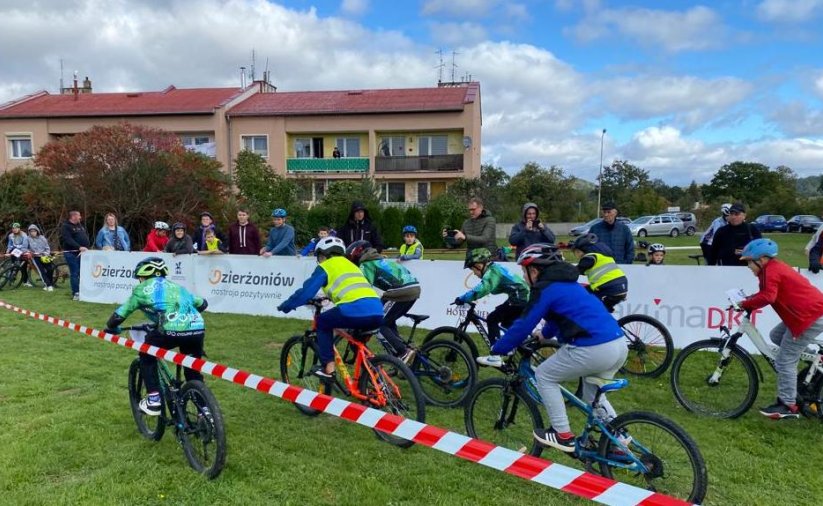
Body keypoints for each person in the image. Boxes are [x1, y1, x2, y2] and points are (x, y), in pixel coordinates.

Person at [477, 244, 627, 453]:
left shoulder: (545, 288)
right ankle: (618, 438)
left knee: (544, 376)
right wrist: (544, 335)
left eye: (524, 271)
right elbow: (559, 316)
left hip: (592, 347)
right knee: (591, 396)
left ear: (534, 270)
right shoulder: (570, 284)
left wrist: (498, 349)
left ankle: (562, 435)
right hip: (618, 344)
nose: (523, 275)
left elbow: (524, 324)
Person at [104, 257, 208, 416]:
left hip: (169, 330)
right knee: (192, 371)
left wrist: (112, 327)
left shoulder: (141, 289)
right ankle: (206, 412)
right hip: (197, 329)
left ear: (143, 276)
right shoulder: (177, 287)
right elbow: (202, 304)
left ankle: (154, 400)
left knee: (146, 354)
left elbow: (119, 315)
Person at [738, 239, 823, 419]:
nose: (747, 266)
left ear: (760, 260)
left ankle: (787, 405)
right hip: (803, 314)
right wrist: (749, 299)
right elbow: (767, 294)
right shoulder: (771, 269)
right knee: (775, 335)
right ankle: (814, 364)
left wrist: (746, 303)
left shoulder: (771, 271)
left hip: (807, 316)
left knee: (784, 360)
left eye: (748, 262)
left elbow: (769, 297)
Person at [277, 237, 384, 379]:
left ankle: (328, 368)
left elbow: (305, 292)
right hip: (377, 310)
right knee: (357, 342)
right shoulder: (352, 265)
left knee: (322, 322)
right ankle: (373, 375)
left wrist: (286, 306)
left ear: (322, 255)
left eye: (319, 257)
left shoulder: (325, 266)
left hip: (354, 309)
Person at [346, 240, 420, 364]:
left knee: (378, 323)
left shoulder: (366, 263)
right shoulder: (378, 259)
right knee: (388, 321)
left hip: (400, 291)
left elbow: (364, 287)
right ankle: (400, 355)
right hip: (413, 289)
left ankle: (403, 352)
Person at [454, 247, 530, 345]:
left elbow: (483, 289)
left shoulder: (493, 272)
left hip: (520, 297)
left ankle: (495, 354)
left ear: (479, 266)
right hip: (521, 296)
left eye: (473, 270)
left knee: (492, 319)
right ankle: (525, 351)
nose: (474, 274)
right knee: (507, 324)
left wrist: (463, 298)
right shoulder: (494, 268)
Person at [570, 233, 628, 313]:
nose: (576, 255)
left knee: (588, 304)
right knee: (587, 292)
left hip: (609, 288)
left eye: (577, 252)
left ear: (584, 249)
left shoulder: (589, 258)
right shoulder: (602, 256)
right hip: (620, 285)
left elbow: (574, 271)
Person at [60, 210, 91, 301]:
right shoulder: (66, 226)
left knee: (83, 272)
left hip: (82, 253)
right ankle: (76, 293)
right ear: (73, 217)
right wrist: (79, 247)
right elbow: (68, 239)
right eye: (79, 216)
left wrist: (86, 246)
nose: (80, 217)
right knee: (75, 272)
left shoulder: (80, 226)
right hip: (71, 253)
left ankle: (83, 291)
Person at [26, 224, 55, 291]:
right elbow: (25, 248)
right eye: (31, 231)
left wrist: (46, 254)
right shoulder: (27, 239)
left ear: (37, 231)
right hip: (35, 257)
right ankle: (48, 285)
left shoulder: (42, 238)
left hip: (45, 256)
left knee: (50, 269)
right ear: (29, 232)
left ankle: (50, 283)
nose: (33, 232)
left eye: (34, 231)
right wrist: (29, 252)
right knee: (41, 271)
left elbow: (47, 248)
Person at [6, 222, 32, 287]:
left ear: (19, 228)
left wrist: (21, 252)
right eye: (13, 228)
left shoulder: (24, 235)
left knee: (23, 267)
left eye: (16, 228)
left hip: (23, 251)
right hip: (14, 250)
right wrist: (8, 250)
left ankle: (25, 281)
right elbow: (10, 245)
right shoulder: (10, 235)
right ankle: (11, 278)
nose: (14, 229)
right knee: (13, 265)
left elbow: (25, 245)